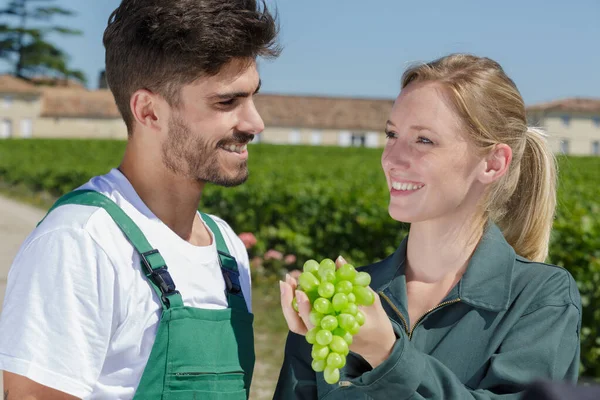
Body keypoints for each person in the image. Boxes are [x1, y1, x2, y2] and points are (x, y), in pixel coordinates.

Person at [0, 0, 279, 399]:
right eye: (226, 102)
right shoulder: (81, 242)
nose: (255, 123)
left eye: (252, 97)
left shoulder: (227, 249)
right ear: (148, 111)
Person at [275, 53, 582, 399]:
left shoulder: (541, 299)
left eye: (423, 140)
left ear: (493, 163)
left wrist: (388, 354)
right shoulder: (341, 300)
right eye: (392, 134)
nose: (391, 159)